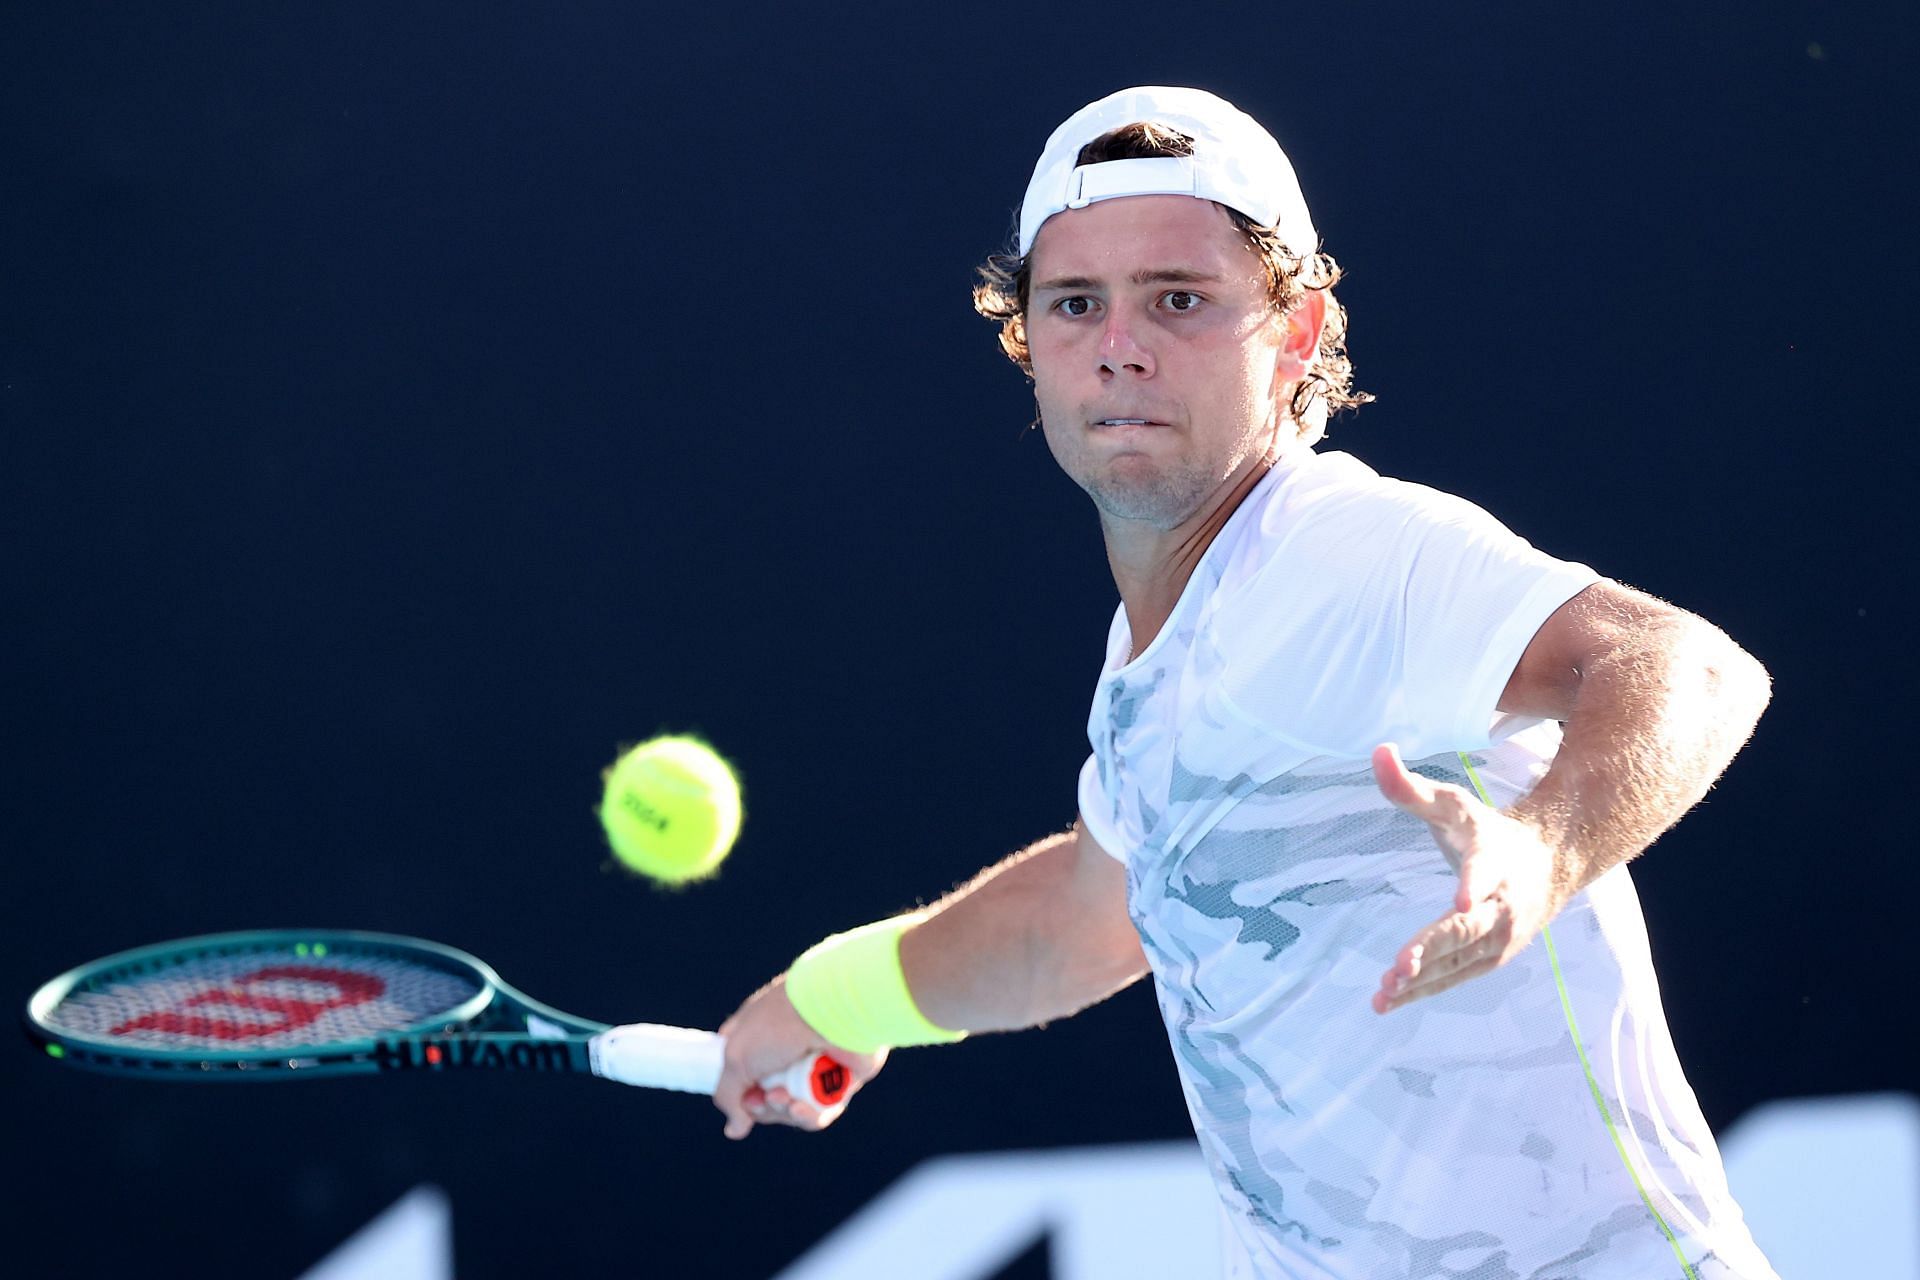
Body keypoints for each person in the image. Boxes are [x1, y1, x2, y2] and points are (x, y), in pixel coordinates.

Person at [713, 86, 1779, 1279]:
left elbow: (1684, 662)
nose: (1120, 342)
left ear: (1300, 332)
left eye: (1180, 298)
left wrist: (1541, 852)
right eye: (1075, 305)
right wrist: (836, 999)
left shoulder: (1338, 549)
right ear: (1029, 347)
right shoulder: (1154, 664)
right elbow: (1084, 918)